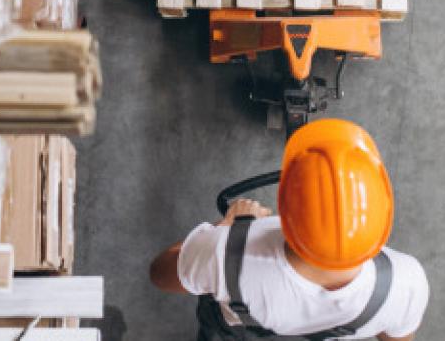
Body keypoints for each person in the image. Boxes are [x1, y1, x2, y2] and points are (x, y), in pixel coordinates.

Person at [149, 119, 429, 340]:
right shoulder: (406, 283)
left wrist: (226, 226)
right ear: (384, 217)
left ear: (284, 204)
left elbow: (160, 273)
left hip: (239, 321)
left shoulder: (223, 254)